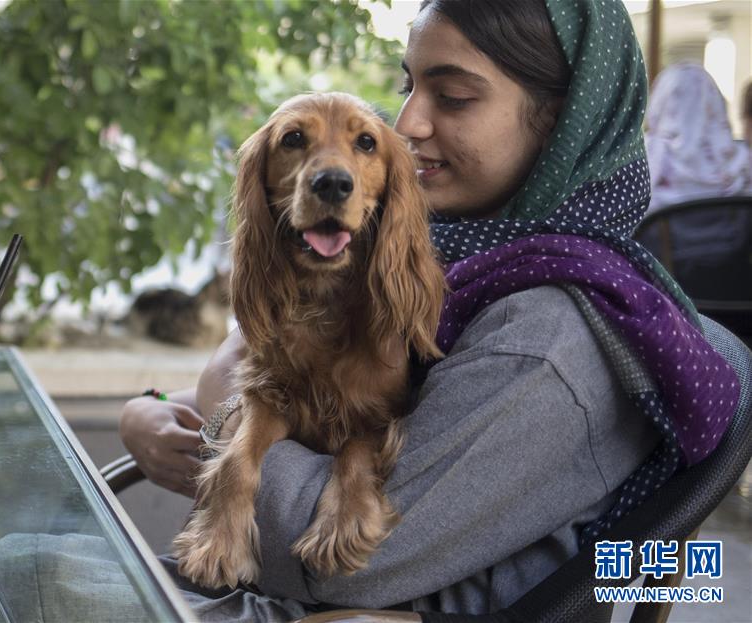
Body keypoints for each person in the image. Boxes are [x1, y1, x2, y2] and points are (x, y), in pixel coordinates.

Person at [120, 0, 740, 619]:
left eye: (454, 97)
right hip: (268, 594)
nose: (408, 121)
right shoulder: (463, 264)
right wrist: (150, 409)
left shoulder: (548, 336)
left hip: (330, 608)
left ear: (559, 121)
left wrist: (220, 406)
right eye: (408, 85)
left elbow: (343, 566)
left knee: (33, 566)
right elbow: (311, 387)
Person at [643, 63, 751, 217]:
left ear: (659, 102)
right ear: (715, 104)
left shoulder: (646, 162)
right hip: (724, 240)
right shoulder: (742, 164)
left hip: (660, 240)